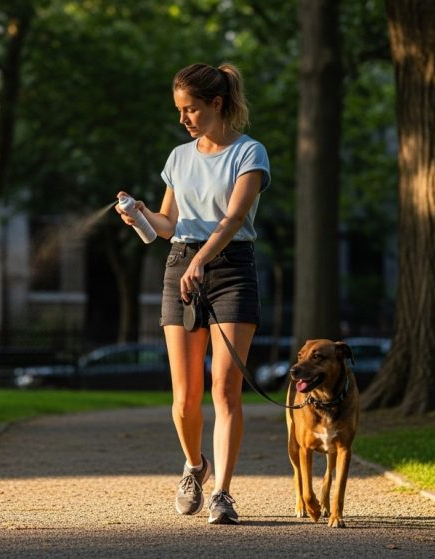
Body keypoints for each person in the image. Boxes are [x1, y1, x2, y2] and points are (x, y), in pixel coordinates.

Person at [115, 62, 270, 525]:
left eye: (191, 109)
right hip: (181, 265)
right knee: (185, 398)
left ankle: (221, 492)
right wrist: (140, 214)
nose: (183, 118)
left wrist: (203, 260)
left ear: (217, 104)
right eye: (180, 110)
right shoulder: (178, 158)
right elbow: (167, 225)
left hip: (231, 269)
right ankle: (194, 467)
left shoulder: (250, 153)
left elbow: (234, 219)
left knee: (225, 390)